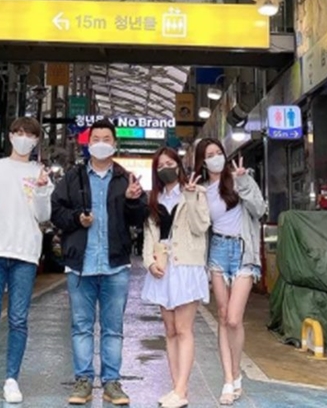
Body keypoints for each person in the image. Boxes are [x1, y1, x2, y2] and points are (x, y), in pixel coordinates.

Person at [51, 119, 148, 406]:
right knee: (81, 326)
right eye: (96, 138)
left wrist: (133, 201)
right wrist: (76, 219)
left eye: (107, 138)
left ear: (114, 144)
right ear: (88, 143)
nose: (102, 143)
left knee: (113, 328)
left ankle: (112, 382)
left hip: (115, 265)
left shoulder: (125, 179)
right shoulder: (73, 177)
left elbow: (138, 219)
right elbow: (56, 212)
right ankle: (83, 380)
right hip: (80, 265)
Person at [0, 117, 52, 405]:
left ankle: (12, 379)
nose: (24, 138)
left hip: (25, 253)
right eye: (19, 132)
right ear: (11, 135)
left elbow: (43, 215)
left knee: (18, 319)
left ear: (36, 141)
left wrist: (42, 189)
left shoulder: (40, 173)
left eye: (30, 134)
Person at [194, 138, 265, 406]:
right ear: (202, 161)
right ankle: (229, 378)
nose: (215, 157)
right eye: (209, 154)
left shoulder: (240, 179)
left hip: (243, 250)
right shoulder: (201, 190)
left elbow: (260, 209)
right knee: (223, 317)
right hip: (218, 252)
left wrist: (244, 181)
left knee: (235, 319)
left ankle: (236, 373)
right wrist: (190, 197)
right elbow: (199, 225)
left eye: (218, 153)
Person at [141, 148, 210, 408]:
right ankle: (176, 389)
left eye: (170, 163)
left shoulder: (196, 192)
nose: (166, 168)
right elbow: (149, 234)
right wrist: (149, 262)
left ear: (179, 166)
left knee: (183, 329)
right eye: (160, 166)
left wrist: (190, 197)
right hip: (163, 266)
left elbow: (201, 227)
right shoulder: (154, 198)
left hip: (187, 266)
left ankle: (181, 391)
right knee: (169, 331)